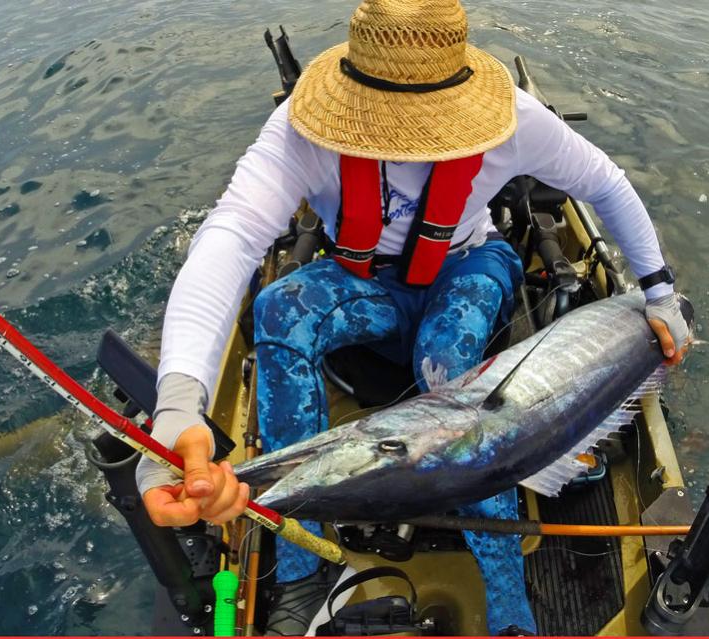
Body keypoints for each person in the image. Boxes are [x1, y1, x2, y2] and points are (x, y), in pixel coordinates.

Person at [135, 0, 690, 635]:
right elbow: (229, 237)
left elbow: (606, 183)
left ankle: (508, 596)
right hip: (359, 276)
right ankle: (297, 566)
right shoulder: (298, 131)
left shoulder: (516, 118)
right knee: (277, 309)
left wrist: (658, 290)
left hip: (468, 264)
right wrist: (178, 401)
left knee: (447, 361)